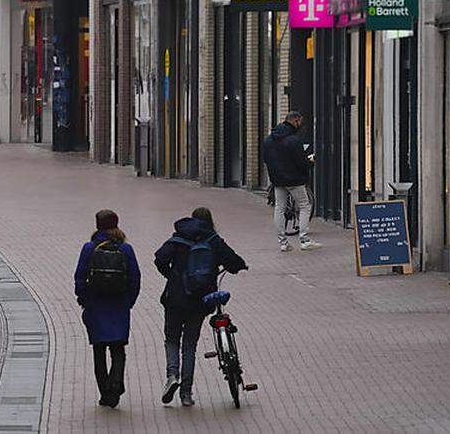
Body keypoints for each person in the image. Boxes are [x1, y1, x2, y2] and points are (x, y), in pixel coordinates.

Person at [154, 207, 248, 407]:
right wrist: (239, 266)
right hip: (200, 301)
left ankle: (172, 375)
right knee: (189, 345)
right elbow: (233, 261)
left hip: (175, 299)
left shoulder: (177, 239)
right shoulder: (213, 240)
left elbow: (160, 258)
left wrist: (171, 276)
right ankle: (186, 394)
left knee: (171, 340)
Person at [73, 209, 140, 408]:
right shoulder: (126, 249)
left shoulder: (89, 247)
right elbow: (135, 278)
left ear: (97, 225)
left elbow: (79, 276)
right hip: (119, 304)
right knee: (118, 348)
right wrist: (129, 301)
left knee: (99, 350)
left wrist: (83, 298)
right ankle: (116, 383)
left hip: (96, 304)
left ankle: (105, 392)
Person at [262, 111, 321, 252]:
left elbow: (266, 160)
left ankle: (282, 242)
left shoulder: (269, 139)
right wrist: (310, 162)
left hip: (277, 180)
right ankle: (304, 239)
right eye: (300, 121)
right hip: (294, 180)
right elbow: (301, 162)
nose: (300, 124)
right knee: (305, 206)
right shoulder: (293, 140)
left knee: (279, 208)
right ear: (295, 121)